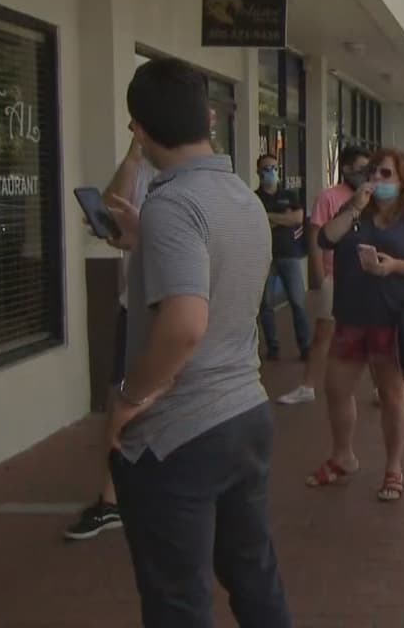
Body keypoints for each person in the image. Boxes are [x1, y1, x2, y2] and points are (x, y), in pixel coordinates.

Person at [103, 57, 290, 627]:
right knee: (253, 576)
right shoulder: (243, 198)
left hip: (179, 432)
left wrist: (130, 397)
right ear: (209, 120)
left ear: (138, 129)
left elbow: (185, 325)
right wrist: (148, 238)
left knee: (178, 603)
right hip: (245, 414)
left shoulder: (171, 205)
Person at [307, 147, 404, 501]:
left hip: (392, 318)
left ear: (402, 180)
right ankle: (342, 456)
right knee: (336, 387)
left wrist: (394, 266)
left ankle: (394, 467)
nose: (376, 180)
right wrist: (353, 208)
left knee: (392, 394)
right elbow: (325, 239)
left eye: (385, 174)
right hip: (351, 315)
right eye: (373, 173)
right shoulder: (356, 210)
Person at [62, 135, 156, 541]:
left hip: (168, 308)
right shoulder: (139, 168)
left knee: (151, 399)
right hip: (132, 305)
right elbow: (107, 211)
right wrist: (134, 153)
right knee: (120, 398)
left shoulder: (192, 178)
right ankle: (112, 499)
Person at [273, 147, 371, 406]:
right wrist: (317, 273)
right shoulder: (329, 197)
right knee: (323, 334)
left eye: (367, 169)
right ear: (347, 169)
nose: (365, 174)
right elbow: (315, 235)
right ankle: (308, 385)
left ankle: (380, 388)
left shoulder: (373, 196)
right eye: (360, 168)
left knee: (375, 333)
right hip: (336, 276)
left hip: (370, 277)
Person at [256, 154, 311, 362]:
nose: (270, 171)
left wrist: (269, 217)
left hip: (290, 255)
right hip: (265, 257)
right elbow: (257, 222)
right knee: (266, 305)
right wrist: (283, 218)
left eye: (273, 167)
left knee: (298, 303)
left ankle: (305, 347)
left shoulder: (290, 195)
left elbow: (297, 219)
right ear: (258, 173)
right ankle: (273, 348)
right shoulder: (255, 198)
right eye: (265, 169)